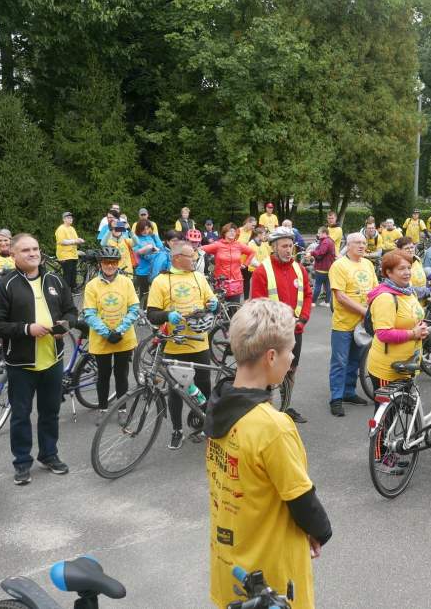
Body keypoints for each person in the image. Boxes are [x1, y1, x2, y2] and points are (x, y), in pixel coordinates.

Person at [205, 298, 332, 609]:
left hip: (229, 566)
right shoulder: (273, 427)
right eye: (290, 351)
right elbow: (301, 499)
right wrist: (321, 532)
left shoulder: (218, 407)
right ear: (271, 356)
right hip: (270, 582)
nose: (292, 359)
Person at [0, 234, 78, 485]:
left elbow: (71, 309)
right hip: (21, 364)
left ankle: (49, 455)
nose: (33, 253)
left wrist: (67, 323)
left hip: (53, 360)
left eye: (35, 248)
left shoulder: (54, 279)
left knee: (50, 412)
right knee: (21, 415)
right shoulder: (4, 285)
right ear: (13, 255)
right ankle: (22, 462)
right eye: (25, 250)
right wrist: (27, 329)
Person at [146, 242, 218, 449]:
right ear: (177, 258)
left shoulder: (199, 277)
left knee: (204, 385)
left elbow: (212, 303)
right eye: (191, 256)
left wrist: (213, 306)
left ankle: (208, 423)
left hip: (199, 343)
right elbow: (152, 313)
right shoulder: (161, 281)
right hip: (174, 346)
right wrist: (168, 315)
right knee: (176, 390)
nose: (195, 259)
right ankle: (177, 429)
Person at [251, 227, 312, 424]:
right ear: (274, 247)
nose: (288, 250)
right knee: (268, 372)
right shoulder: (262, 271)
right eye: (284, 246)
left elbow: (308, 294)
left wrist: (302, 319)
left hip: (295, 331)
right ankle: (265, 411)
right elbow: (258, 305)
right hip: (273, 333)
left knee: (290, 369)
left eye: (291, 246)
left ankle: (285, 408)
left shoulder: (299, 268)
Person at [82, 246, 140, 421]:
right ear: (100, 263)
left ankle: (122, 410)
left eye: (113, 262)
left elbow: (134, 308)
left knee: (122, 375)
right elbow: (89, 313)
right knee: (103, 376)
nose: (110, 266)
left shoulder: (126, 282)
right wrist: (107, 333)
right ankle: (103, 410)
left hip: (124, 337)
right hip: (102, 338)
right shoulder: (92, 286)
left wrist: (120, 330)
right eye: (107, 262)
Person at [365, 250, 428, 399]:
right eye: (401, 269)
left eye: (408, 267)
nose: (407, 272)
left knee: (401, 412)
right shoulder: (386, 298)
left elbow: (413, 317)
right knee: (387, 417)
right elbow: (383, 334)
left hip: (408, 363)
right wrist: (414, 334)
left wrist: (422, 328)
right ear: (389, 273)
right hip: (388, 367)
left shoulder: (408, 291)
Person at [327, 232, 377, 416]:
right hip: (344, 324)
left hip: (363, 325)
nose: (362, 245)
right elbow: (340, 296)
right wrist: (365, 312)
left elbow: (374, 290)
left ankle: (349, 392)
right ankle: (336, 398)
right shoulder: (339, 265)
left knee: (356, 360)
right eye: (357, 242)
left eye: (364, 243)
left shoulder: (368, 264)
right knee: (340, 361)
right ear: (348, 245)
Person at [201, 223, 256, 304]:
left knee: (234, 307)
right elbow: (200, 249)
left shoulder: (239, 245)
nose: (232, 233)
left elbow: (252, 252)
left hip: (236, 281)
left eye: (234, 231)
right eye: (230, 231)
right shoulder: (217, 245)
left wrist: (245, 264)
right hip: (221, 281)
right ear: (224, 233)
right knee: (221, 309)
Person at [55, 212, 85, 289]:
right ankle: (66, 290)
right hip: (65, 255)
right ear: (63, 219)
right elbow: (62, 242)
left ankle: (73, 288)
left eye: (71, 218)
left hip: (73, 255)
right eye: (68, 218)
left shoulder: (72, 228)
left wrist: (80, 240)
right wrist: (75, 241)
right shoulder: (61, 229)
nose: (70, 219)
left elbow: (75, 239)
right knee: (67, 274)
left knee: (73, 273)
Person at [308, 226, 335, 307]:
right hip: (329, 268)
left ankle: (313, 302)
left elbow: (321, 252)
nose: (318, 234)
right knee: (327, 286)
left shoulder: (325, 242)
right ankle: (327, 302)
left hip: (321, 268)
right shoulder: (330, 241)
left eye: (319, 233)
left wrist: (311, 253)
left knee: (317, 285)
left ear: (324, 233)